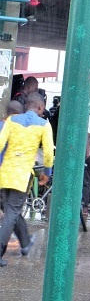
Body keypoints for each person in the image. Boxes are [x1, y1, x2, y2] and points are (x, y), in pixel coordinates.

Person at [0, 93, 54, 267]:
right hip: (22, 175)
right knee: (12, 213)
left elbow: (0, 143)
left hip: (5, 172)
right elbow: (47, 153)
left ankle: (25, 243)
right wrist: (47, 172)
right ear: (39, 107)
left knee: (11, 210)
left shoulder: (12, 121)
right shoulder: (44, 125)